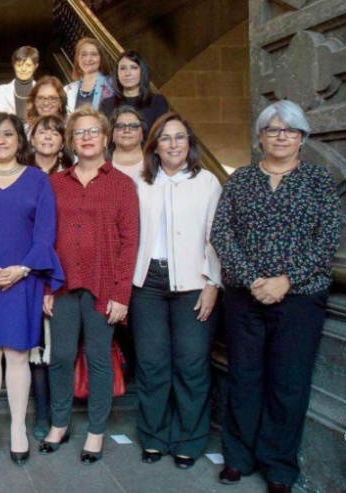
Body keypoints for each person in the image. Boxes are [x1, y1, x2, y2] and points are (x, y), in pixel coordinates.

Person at [211, 100, 340, 493]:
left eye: (291, 130)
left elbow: (327, 239)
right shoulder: (241, 180)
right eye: (273, 129)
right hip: (244, 297)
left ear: (302, 138)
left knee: (289, 383)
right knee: (245, 378)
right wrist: (253, 279)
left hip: (300, 299)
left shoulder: (319, 181)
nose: (282, 136)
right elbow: (222, 234)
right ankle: (238, 457)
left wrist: (286, 279)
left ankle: (279, 466)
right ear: (260, 137)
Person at [0, 113, 65, 466]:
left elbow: (45, 233)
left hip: (24, 277)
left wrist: (20, 270)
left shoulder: (37, 180)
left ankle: (18, 428)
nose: (1, 140)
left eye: (8, 134)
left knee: (18, 356)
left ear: (21, 140)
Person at [47, 106, 139, 464]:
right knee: (61, 357)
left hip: (104, 285)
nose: (86, 137)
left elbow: (129, 241)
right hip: (63, 284)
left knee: (99, 358)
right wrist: (44, 288)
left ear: (105, 137)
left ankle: (97, 431)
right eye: (80, 132)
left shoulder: (122, 184)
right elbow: (46, 238)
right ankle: (59, 424)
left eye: (93, 131)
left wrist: (121, 294)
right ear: (71, 141)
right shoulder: (55, 183)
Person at [131, 113, 222, 469]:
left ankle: (188, 439)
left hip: (193, 283)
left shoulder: (208, 182)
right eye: (165, 138)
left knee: (192, 363)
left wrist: (213, 283)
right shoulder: (141, 181)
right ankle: (153, 436)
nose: (173, 145)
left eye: (179, 138)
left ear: (189, 142)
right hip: (148, 283)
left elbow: (217, 238)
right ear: (154, 145)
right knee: (152, 363)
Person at [26, 114, 72, 439]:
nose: (48, 137)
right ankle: (42, 413)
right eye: (43, 131)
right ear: (31, 137)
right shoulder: (21, 174)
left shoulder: (70, 175)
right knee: (37, 349)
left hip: (64, 268)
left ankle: (60, 415)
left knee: (60, 348)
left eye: (55, 132)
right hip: (29, 267)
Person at [100, 51, 169, 131]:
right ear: (117, 74)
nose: (127, 73)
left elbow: (159, 136)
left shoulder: (157, 101)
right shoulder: (107, 104)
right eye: (122, 68)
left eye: (133, 67)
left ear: (142, 72)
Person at [63, 37, 114, 113]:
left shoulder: (111, 84)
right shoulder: (68, 90)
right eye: (84, 54)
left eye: (94, 54)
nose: (88, 59)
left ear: (101, 58)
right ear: (78, 59)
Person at [0, 45, 40, 120]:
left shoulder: (42, 92)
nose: (23, 69)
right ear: (14, 66)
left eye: (28, 65)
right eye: (19, 65)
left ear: (35, 66)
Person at [109, 105, 146, 180]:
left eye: (133, 126)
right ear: (112, 134)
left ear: (142, 134)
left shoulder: (156, 161)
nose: (127, 130)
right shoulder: (99, 162)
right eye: (120, 126)